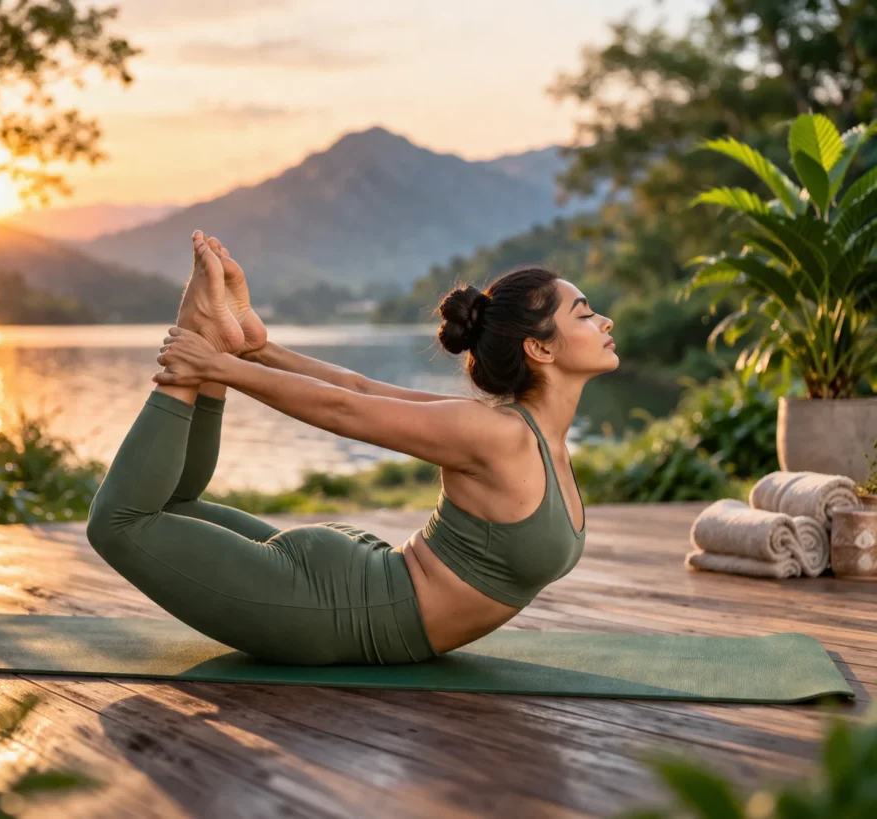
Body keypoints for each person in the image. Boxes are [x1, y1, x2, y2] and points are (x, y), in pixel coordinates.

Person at [85, 230, 618, 665]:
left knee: (174, 507)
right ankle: (195, 341)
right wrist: (219, 365)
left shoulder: (529, 437)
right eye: (586, 314)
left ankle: (208, 341)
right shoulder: (498, 434)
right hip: (335, 610)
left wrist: (256, 351)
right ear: (539, 347)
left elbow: (361, 389)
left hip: (360, 585)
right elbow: (346, 408)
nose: (605, 321)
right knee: (119, 523)